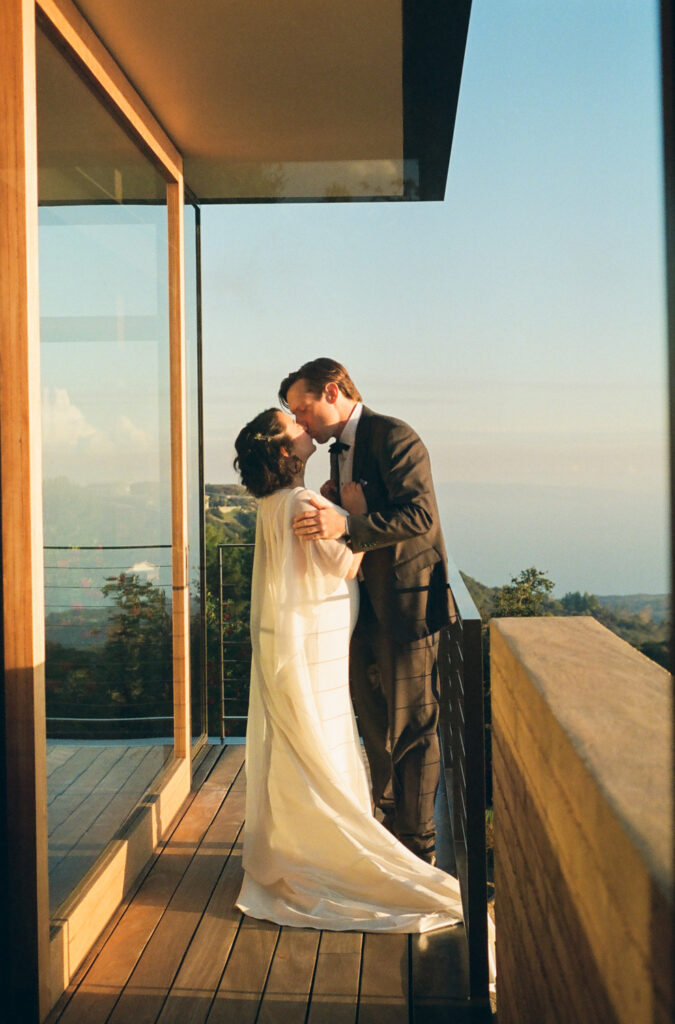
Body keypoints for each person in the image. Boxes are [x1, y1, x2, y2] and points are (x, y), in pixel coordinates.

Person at [233, 407, 462, 931]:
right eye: (291, 422)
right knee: (327, 736)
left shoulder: (275, 502)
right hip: (320, 641)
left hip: (306, 636)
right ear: (286, 450)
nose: (301, 424)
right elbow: (344, 562)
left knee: (313, 739)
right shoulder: (303, 501)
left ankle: (307, 840)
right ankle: (334, 847)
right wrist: (355, 515)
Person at [279, 358, 455, 865]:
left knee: (415, 730)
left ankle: (419, 849)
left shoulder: (396, 435)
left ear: (333, 391)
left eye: (303, 407)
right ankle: (386, 832)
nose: (300, 421)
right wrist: (342, 506)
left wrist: (348, 524)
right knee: (373, 723)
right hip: (362, 609)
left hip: (408, 606)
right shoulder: (339, 450)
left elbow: (420, 515)